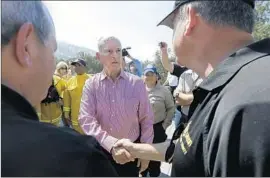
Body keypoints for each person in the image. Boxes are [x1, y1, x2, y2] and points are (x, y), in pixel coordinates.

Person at [114, 0, 270, 176]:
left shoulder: (250, 109)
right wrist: (134, 149)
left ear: (190, 19)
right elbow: (189, 149)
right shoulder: (227, 88)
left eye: (173, 27)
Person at [1, 1, 118, 176]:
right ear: (26, 47)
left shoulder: (90, 80)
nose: (55, 63)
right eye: (53, 50)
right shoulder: (79, 158)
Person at [78, 36, 154, 177]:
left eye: (118, 51)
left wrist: (146, 151)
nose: (115, 56)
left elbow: (146, 118)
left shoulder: (136, 84)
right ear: (98, 56)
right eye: (109, 51)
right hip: (102, 152)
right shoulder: (91, 85)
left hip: (131, 153)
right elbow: (86, 119)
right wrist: (111, 145)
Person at [141, 64, 175, 177]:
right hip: (141, 129)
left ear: (157, 76)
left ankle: (154, 174)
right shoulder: (138, 90)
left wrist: (165, 126)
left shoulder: (164, 91)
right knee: (141, 155)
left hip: (157, 128)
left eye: (151, 74)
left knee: (154, 158)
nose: (149, 77)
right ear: (143, 77)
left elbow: (171, 108)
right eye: (146, 74)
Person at [63, 59, 91, 134]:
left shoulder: (91, 80)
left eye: (79, 65)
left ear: (84, 67)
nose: (76, 67)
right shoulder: (70, 81)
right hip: (75, 118)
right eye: (75, 65)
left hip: (90, 118)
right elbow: (67, 99)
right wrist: (66, 113)